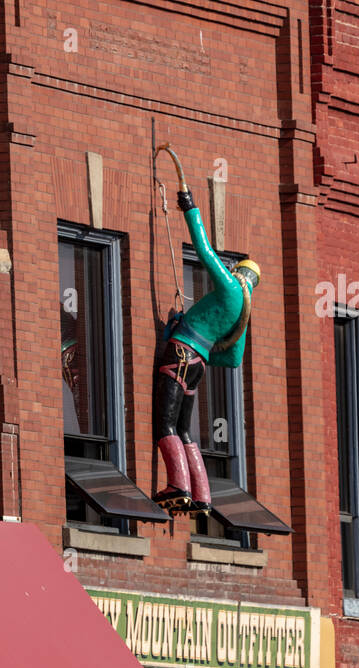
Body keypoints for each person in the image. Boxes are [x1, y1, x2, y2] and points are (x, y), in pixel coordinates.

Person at [153, 185, 260, 513]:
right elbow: (233, 358)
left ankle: (178, 484)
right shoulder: (243, 313)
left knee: (164, 423)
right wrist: (204, 348)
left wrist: (190, 208)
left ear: (239, 272)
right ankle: (201, 494)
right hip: (197, 362)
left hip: (181, 352)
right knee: (184, 427)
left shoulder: (230, 287)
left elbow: (202, 249)